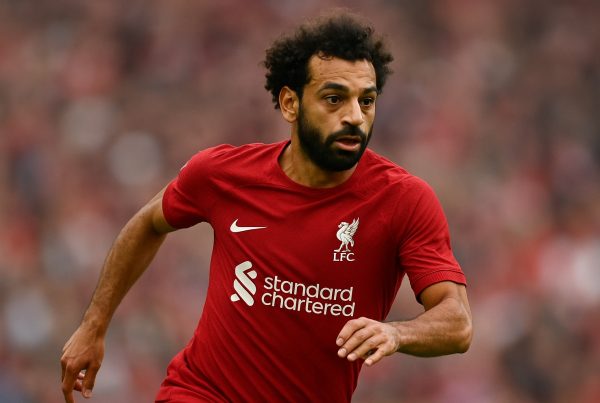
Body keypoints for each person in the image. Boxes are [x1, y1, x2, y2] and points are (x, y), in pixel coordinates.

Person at [61, 11, 472, 403]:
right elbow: (148, 223)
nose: (354, 117)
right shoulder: (222, 174)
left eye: (366, 101)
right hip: (201, 392)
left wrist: (397, 334)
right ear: (290, 103)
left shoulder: (405, 200)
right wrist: (93, 325)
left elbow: (457, 322)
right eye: (334, 99)